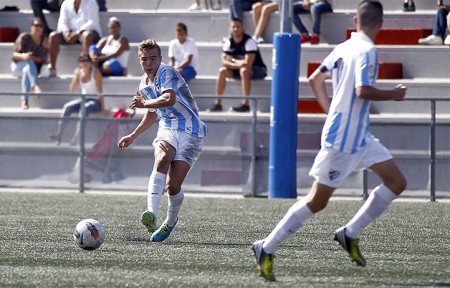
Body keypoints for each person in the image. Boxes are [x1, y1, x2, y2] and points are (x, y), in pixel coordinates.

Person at [251, 0, 407, 281]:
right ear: (381, 24)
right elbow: (363, 91)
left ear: (354, 20)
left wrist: (331, 110)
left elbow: (314, 79)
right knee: (317, 200)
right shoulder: (368, 50)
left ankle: (349, 233)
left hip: (358, 136)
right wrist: (394, 95)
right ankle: (266, 245)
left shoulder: (344, 46)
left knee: (397, 182)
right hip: (344, 140)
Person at [118, 39, 207, 242]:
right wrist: (133, 135)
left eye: (152, 59)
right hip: (168, 127)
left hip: (191, 131)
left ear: (160, 59)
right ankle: (151, 212)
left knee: (172, 186)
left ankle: (170, 220)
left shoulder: (167, 72)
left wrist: (144, 103)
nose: (148, 63)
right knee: (162, 157)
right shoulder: (143, 83)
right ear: (139, 61)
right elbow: (151, 114)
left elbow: (169, 99)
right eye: (144, 59)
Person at [208, 18, 267, 112]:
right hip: (240, 69)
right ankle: (218, 104)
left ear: (242, 28)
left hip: (258, 70)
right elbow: (224, 62)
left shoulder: (249, 41)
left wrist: (232, 60)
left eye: (238, 27)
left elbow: (248, 64)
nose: (235, 29)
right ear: (230, 28)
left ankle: (246, 104)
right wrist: (239, 63)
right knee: (222, 71)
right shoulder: (228, 42)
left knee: (244, 70)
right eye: (233, 27)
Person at [49, 53, 106, 145]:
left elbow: (100, 92)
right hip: (84, 99)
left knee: (85, 108)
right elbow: (72, 90)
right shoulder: (78, 73)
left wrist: (103, 108)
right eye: (82, 60)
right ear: (79, 63)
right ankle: (59, 135)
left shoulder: (96, 73)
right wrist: (76, 78)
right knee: (67, 107)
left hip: (95, 101)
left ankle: (76, 138)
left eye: (87, 60)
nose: (85, 63)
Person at [47, 0, 102, 77]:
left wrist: (78, 33)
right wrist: (66, 33)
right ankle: (52, 68)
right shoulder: (66, 3)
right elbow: (62, 22)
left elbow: (92, 23)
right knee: (53, 36)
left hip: (89, 34)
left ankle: (85, 68)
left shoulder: (91, 2)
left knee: (86, 35)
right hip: (71, 34)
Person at [11, 17, 48, 109]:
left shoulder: (44, 41)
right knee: (28, 64)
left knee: (27, 69)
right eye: (36, 25)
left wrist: (32, 58)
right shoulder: (24, 37)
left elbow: (43, 59)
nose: (38, 28)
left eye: (41, 26)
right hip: (18, 65)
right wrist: (23, 56)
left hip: (33, 69)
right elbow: (13, 56)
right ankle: (35, 86)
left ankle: (25, 100)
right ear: (31, 27)